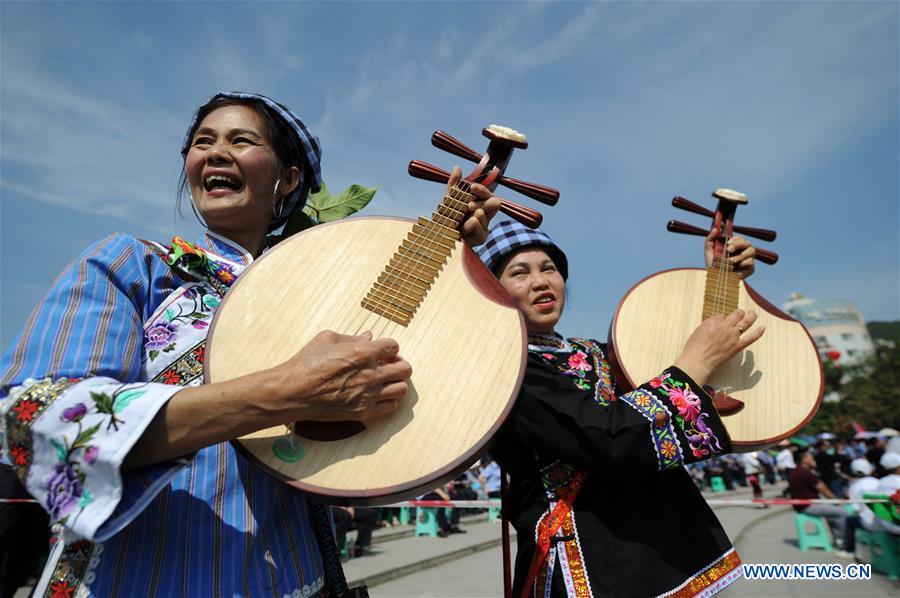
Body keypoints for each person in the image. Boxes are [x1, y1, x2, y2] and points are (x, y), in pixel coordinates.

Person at [0, 91, 499, 597]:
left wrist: (448, 261)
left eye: (241, 140)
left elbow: (403, 404)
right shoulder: (133, 265)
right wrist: (285, 392)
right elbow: (36, 419)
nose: (217, 152)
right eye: (202, 142)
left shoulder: (321, 290)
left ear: (288, 178)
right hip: (136, 578)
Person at [475, 220, 763, 597]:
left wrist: (720, 279)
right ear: (492, 291)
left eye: (549, 268)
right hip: (591, 560)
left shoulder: (594, 352)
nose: (541, 280)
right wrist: (697, 360)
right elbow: (607, 437)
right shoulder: (506, 369)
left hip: (668, 545)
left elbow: (674, 374)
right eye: (519, 272)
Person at [787, 448, 856, 558]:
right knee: (842, 512)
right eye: (810, 457)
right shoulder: (804, 472)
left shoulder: (796, 471)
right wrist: (836, 501)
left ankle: (838, 539)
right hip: (808, 506)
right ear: (804, 459)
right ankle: (846, 542)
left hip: (804, 505)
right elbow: (823, 488)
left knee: (832, 512)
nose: (813, 459)